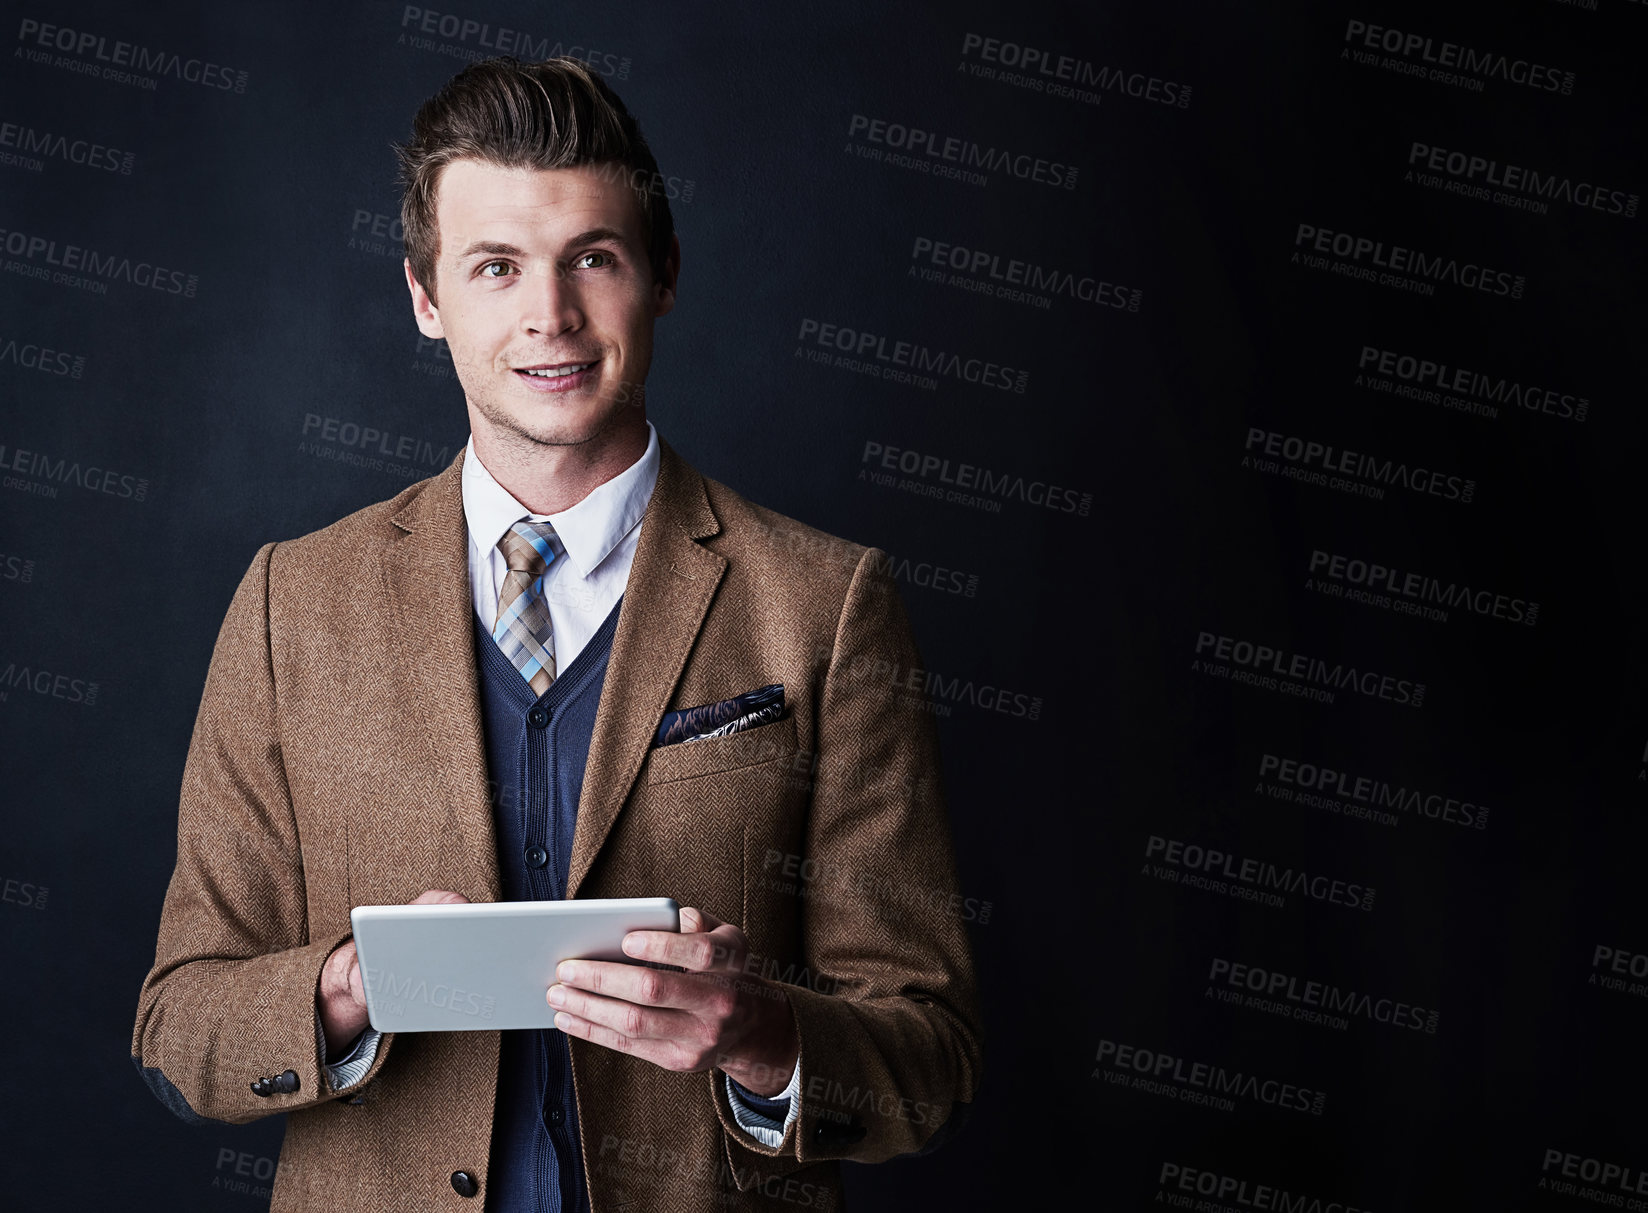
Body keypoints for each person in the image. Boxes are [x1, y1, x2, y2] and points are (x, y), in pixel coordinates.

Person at [130, 55, 982, 1212]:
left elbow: (930, 1057)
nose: (550, 315)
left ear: (663, 274)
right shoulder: (292, 603)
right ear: (427, 299)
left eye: (593, 256)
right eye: (496, 267)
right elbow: (180, 1021)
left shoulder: (824, 604)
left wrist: (760, 1034)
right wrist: (343, 990)